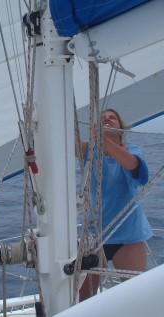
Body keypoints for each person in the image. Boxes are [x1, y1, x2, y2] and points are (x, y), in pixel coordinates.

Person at [79, 108, 153, 301]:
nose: (107, 120)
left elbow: (136, 169)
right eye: (103, 118)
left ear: (121, 128)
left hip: (128, 238)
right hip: (96, 237)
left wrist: (104, 141)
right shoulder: (89, 151)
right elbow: (63, 147)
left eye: (112, 118)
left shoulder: (132, 152)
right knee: (83, 298)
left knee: (136, 297)